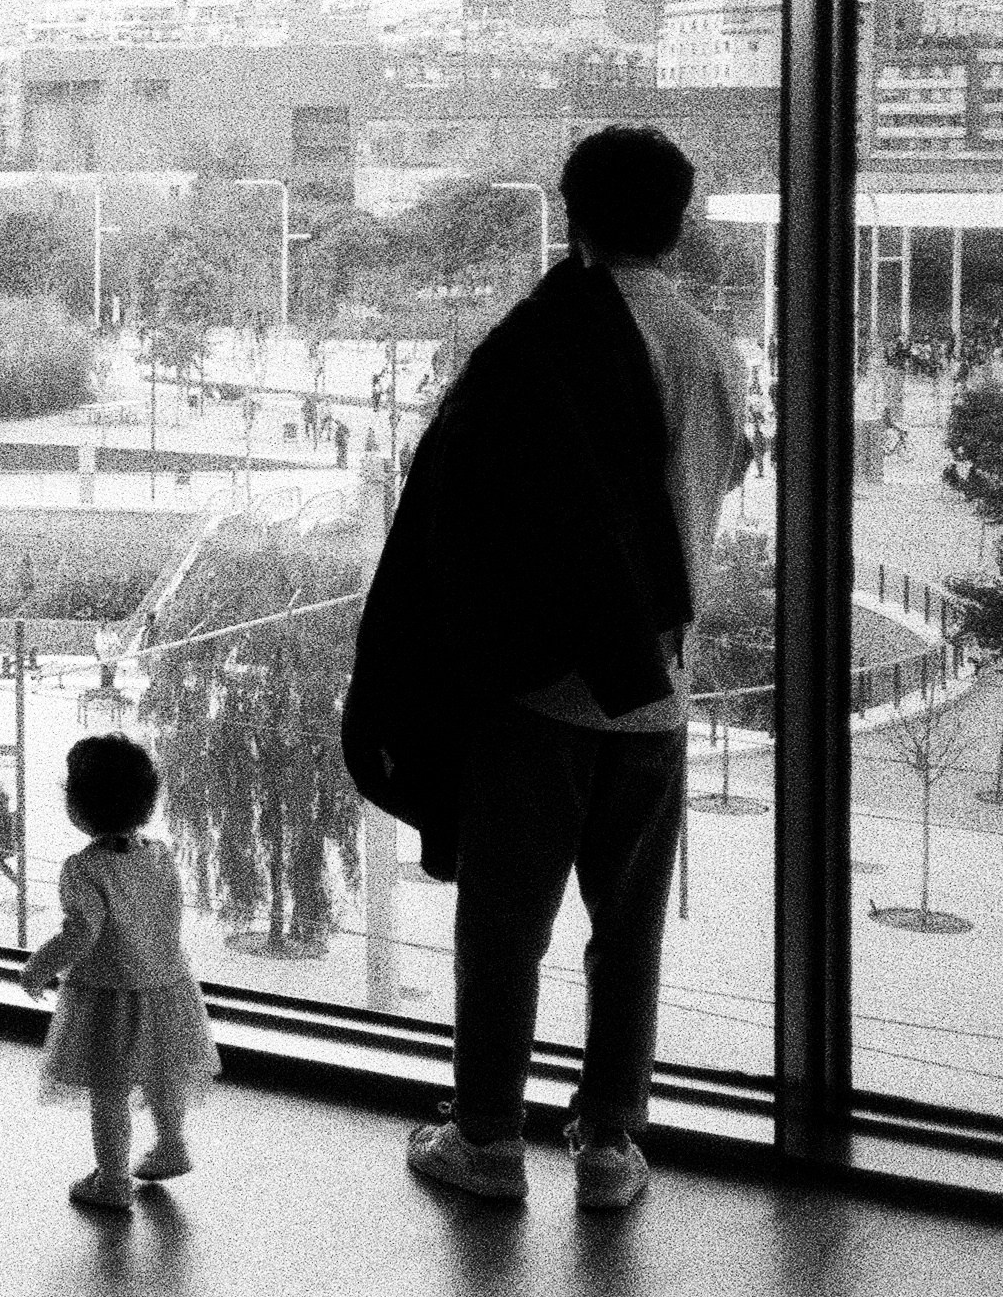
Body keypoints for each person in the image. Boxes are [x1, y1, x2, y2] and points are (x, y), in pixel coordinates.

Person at [345, 126, 749, 1213]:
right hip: (659, 694)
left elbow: (469, 512)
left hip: (539, 696)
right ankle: (610, 1146)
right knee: (628, 936)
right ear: (677, 226)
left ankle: (487, 1138)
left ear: (573, 216)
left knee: (502, 933)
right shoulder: (714, 353)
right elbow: (702, 498)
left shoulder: (536, 345)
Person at [19, 734, 218, 1213]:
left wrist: (39, 967)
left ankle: (111, 1180)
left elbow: (81, 934)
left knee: (108, 1091)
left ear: (79, 807)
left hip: (110, 996)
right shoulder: (161, 855)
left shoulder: (84, 869)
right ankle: (171, 1146)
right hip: (168, 987)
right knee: (163, 1075)